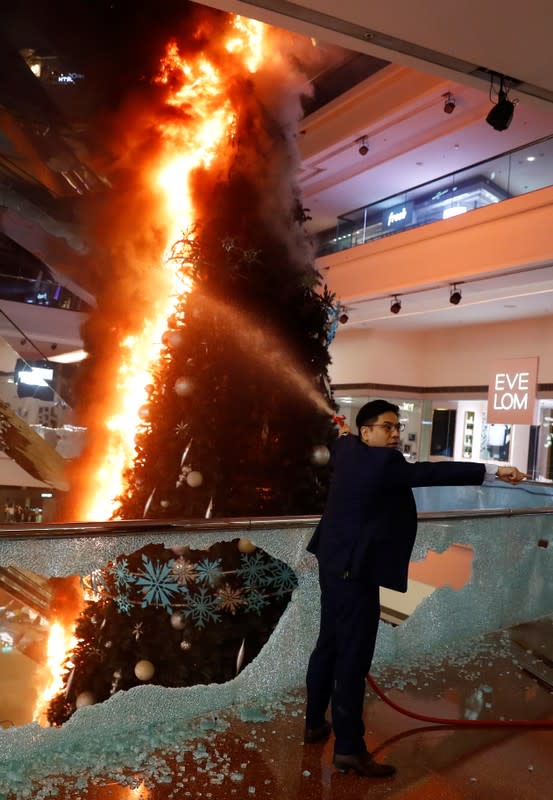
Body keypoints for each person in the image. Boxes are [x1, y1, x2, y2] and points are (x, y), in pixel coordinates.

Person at [304, 399, 525, 778]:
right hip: (355, 571)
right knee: (353, 659)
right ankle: (349, 750)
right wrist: (493, 471)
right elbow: (432, 473)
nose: (395, 434)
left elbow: (340, 439)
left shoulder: (347, 449)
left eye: (397, 427)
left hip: (333, 561)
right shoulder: (383, 462)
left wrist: (342, 432)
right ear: (367, 431)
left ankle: (313, 724)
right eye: (387, 427)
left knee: (328, 643)